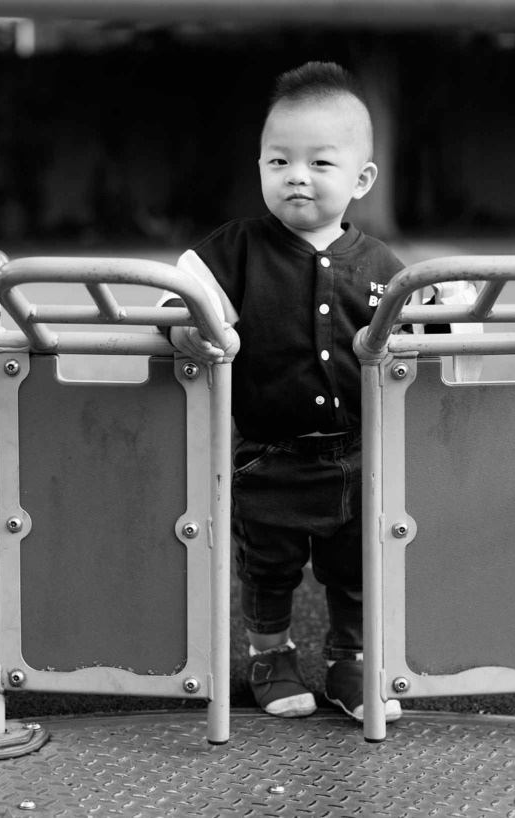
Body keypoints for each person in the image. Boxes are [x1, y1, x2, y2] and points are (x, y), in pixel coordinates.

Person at [162, 61, 404, 724]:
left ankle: (352, 661)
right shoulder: (235, 248)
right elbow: (181, 297)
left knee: (357, 568)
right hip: (269, 454)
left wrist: (452, 306)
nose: (297, 175)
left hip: (360, 454)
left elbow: (432, 317)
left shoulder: (382, 265)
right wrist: (190, 329)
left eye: (320, 163)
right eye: (279, 161)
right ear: (260, 167)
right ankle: (270, 655)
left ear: (361, 179)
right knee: (268, 565)